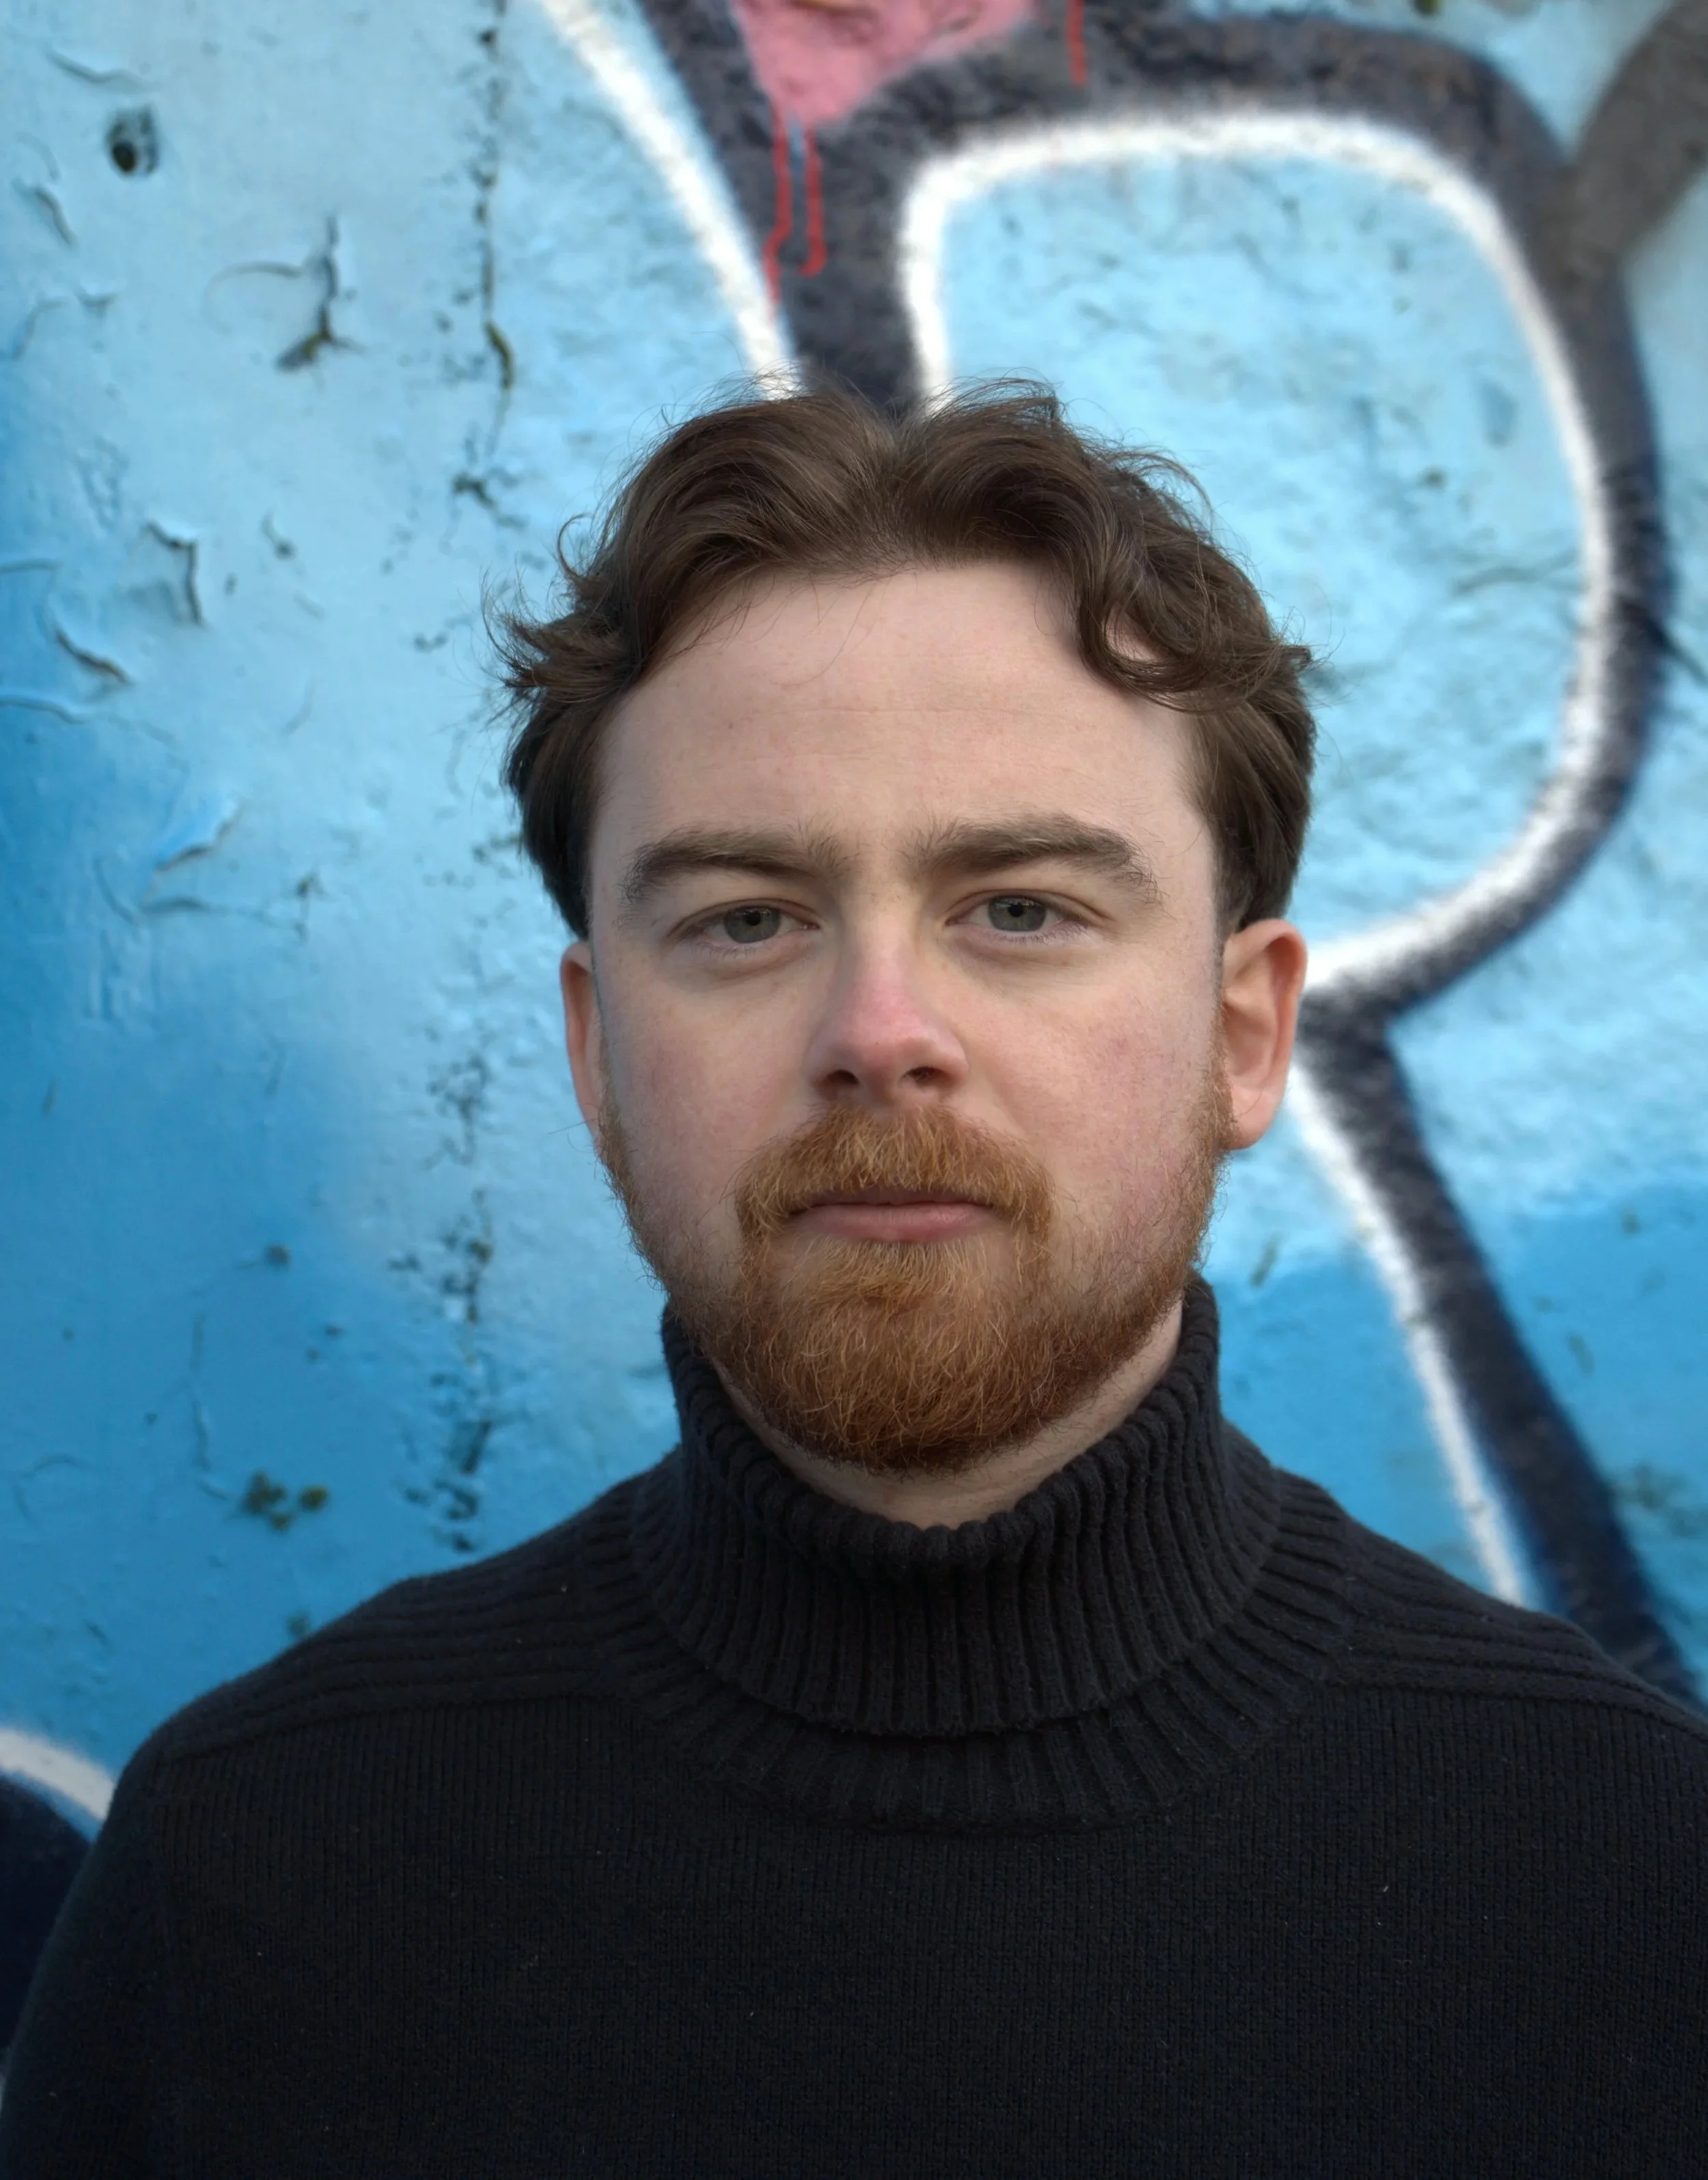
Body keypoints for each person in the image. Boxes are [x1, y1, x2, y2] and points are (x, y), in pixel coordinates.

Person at [3, 386, 1705, 2178]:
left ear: (1241, 1033)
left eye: (1021, 907)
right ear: (597, 1053)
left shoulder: (1624, 1878)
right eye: (746, 916)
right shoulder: (258, 1874)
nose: (878, 1033)